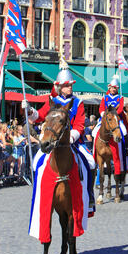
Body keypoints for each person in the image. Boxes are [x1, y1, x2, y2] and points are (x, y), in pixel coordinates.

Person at [25, 62, 95, 217]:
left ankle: (89, 196)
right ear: (60, 87)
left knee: (90, 162)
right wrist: (29, 110)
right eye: (66, 85)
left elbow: (80, 124)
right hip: (53, 142)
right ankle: (38, 193)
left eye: (70, 85)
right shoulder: (52, 101)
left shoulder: (78, 102)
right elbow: (40, 116)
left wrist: (71, 137)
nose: (69, 88)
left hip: (74, 142)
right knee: (37, 162)